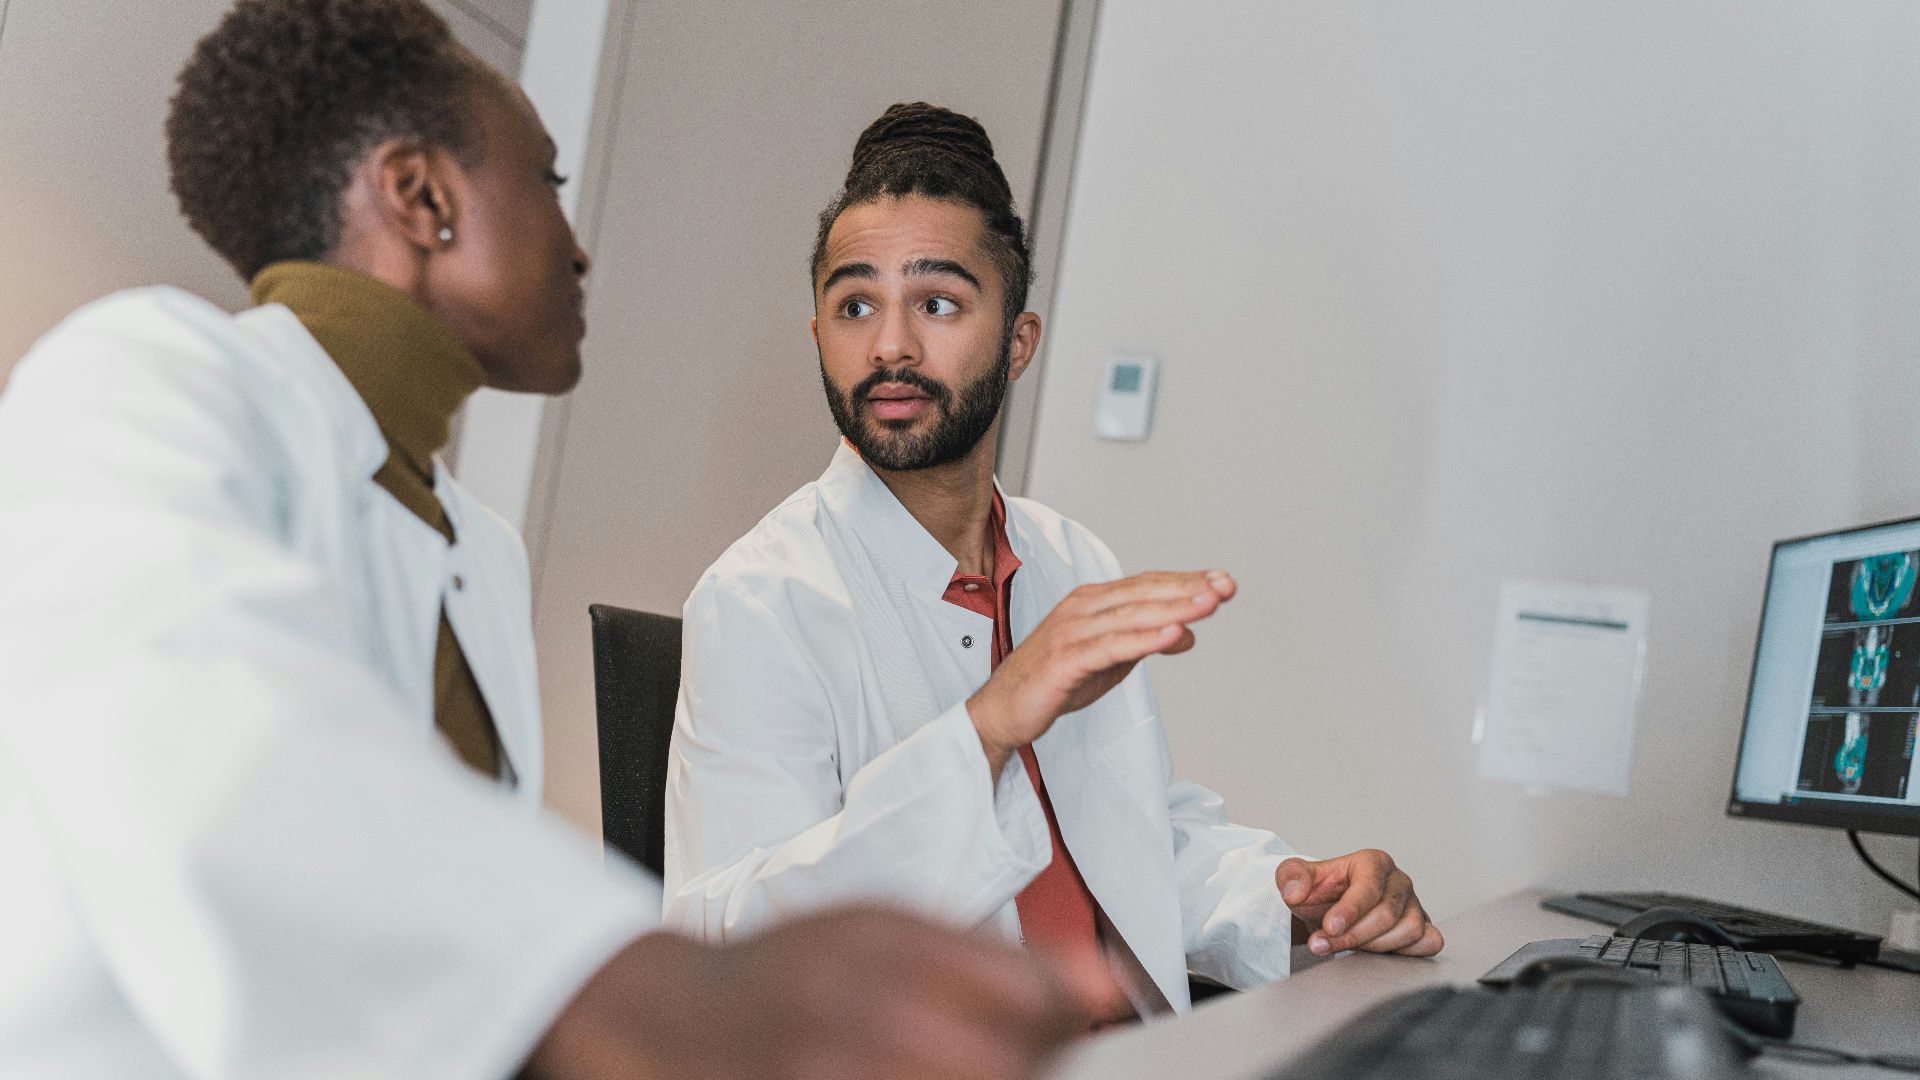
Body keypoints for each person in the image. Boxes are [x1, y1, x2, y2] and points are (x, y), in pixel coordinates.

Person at [0, 8, 1109, 1078]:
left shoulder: (474, 547)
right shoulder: (144, 372)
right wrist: (663, 993)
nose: (577, 251)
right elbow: (200, 729)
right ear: (423, 196)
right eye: (546, 181)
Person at [662, 103, 1444, 1018]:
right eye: (855, 304)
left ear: (1019, 342)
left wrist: (1305, 900)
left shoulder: (1070, 557)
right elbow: (728, 941)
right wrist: (984, 730)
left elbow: (1133, 834)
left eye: (939, 302)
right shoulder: (762, 597)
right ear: (819, 338)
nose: (891, 347)